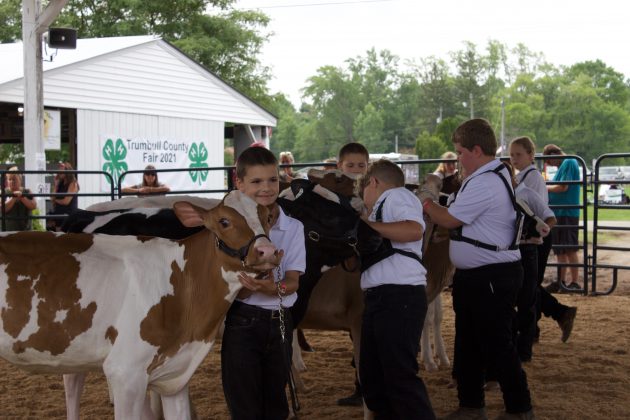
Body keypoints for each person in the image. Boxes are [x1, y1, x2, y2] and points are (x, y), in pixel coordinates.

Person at [422, 119, 533, 420]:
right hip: (479, 275)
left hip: (491, 276)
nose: (457, 157)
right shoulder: (488, 175)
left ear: (476, 149)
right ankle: (471, 405)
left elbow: (449, 220)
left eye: (460, 151)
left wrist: (427, 204)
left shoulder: (485, 181)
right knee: (469, 341)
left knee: (498, 344)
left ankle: (519, 408)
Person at [221, 146, 306, 420]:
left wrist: (271, 288)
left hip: (280, 320)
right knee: (244, 404)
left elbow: (292, 282)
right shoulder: (226, 228)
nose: (266, 188)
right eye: (256, 181)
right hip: (241, 321)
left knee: (276, 403)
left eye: (272, 180)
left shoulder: (293, 228)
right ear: (239, 183)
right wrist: (253, 285)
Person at [358, 158, 435, 419]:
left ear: (374, 182)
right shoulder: (386, 204)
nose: (364, 199)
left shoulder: (395, 196)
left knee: (399, 377)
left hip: (398, 295)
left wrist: (367, 226)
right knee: (373, 377)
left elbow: (414, 230)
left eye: (364, 191)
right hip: (383, 296)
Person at [509, 137, 577, 344]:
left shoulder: (531, 178)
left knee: (528, 286)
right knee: (528, 286)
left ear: (531, 155)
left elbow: (534, 210)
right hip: (532, 235)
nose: (514, 159)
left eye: (518, 154)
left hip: (535, 235)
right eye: (512, 155)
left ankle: (548, 319)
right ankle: (549, 319)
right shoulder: (525, 176)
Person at [335, 141, 370, 407]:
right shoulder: (335, 196)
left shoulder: (372, 195)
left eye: (361, 166)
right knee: (357, 329)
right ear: (339, 167)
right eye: (350, 166)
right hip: (341, 270)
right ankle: (362, 383)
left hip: (368, 266)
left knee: (364, 329)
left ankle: (364, 386)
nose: (356, 171)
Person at [543, 144, 581, 292]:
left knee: (570, 249)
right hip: (559, 213)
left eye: (549, 161)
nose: (550, 164)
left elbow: (563, 187)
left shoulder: (569, 162)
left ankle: (574, 282)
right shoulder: (563, 167)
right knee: (560, 250)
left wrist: (543, 187)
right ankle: (561, 282)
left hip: (567, 213)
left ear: (553, 155)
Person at [47, 162, 79, 231]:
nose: (59, 172)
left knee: (64, 235)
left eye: (62, 170)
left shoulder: (73, 183)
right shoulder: (60, 183)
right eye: (59, 171)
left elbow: (66, 201)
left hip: (68, 214)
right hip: (59, 214)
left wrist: (55, 200)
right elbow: (52, 198)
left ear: (67, 171)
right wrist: (55, 185)